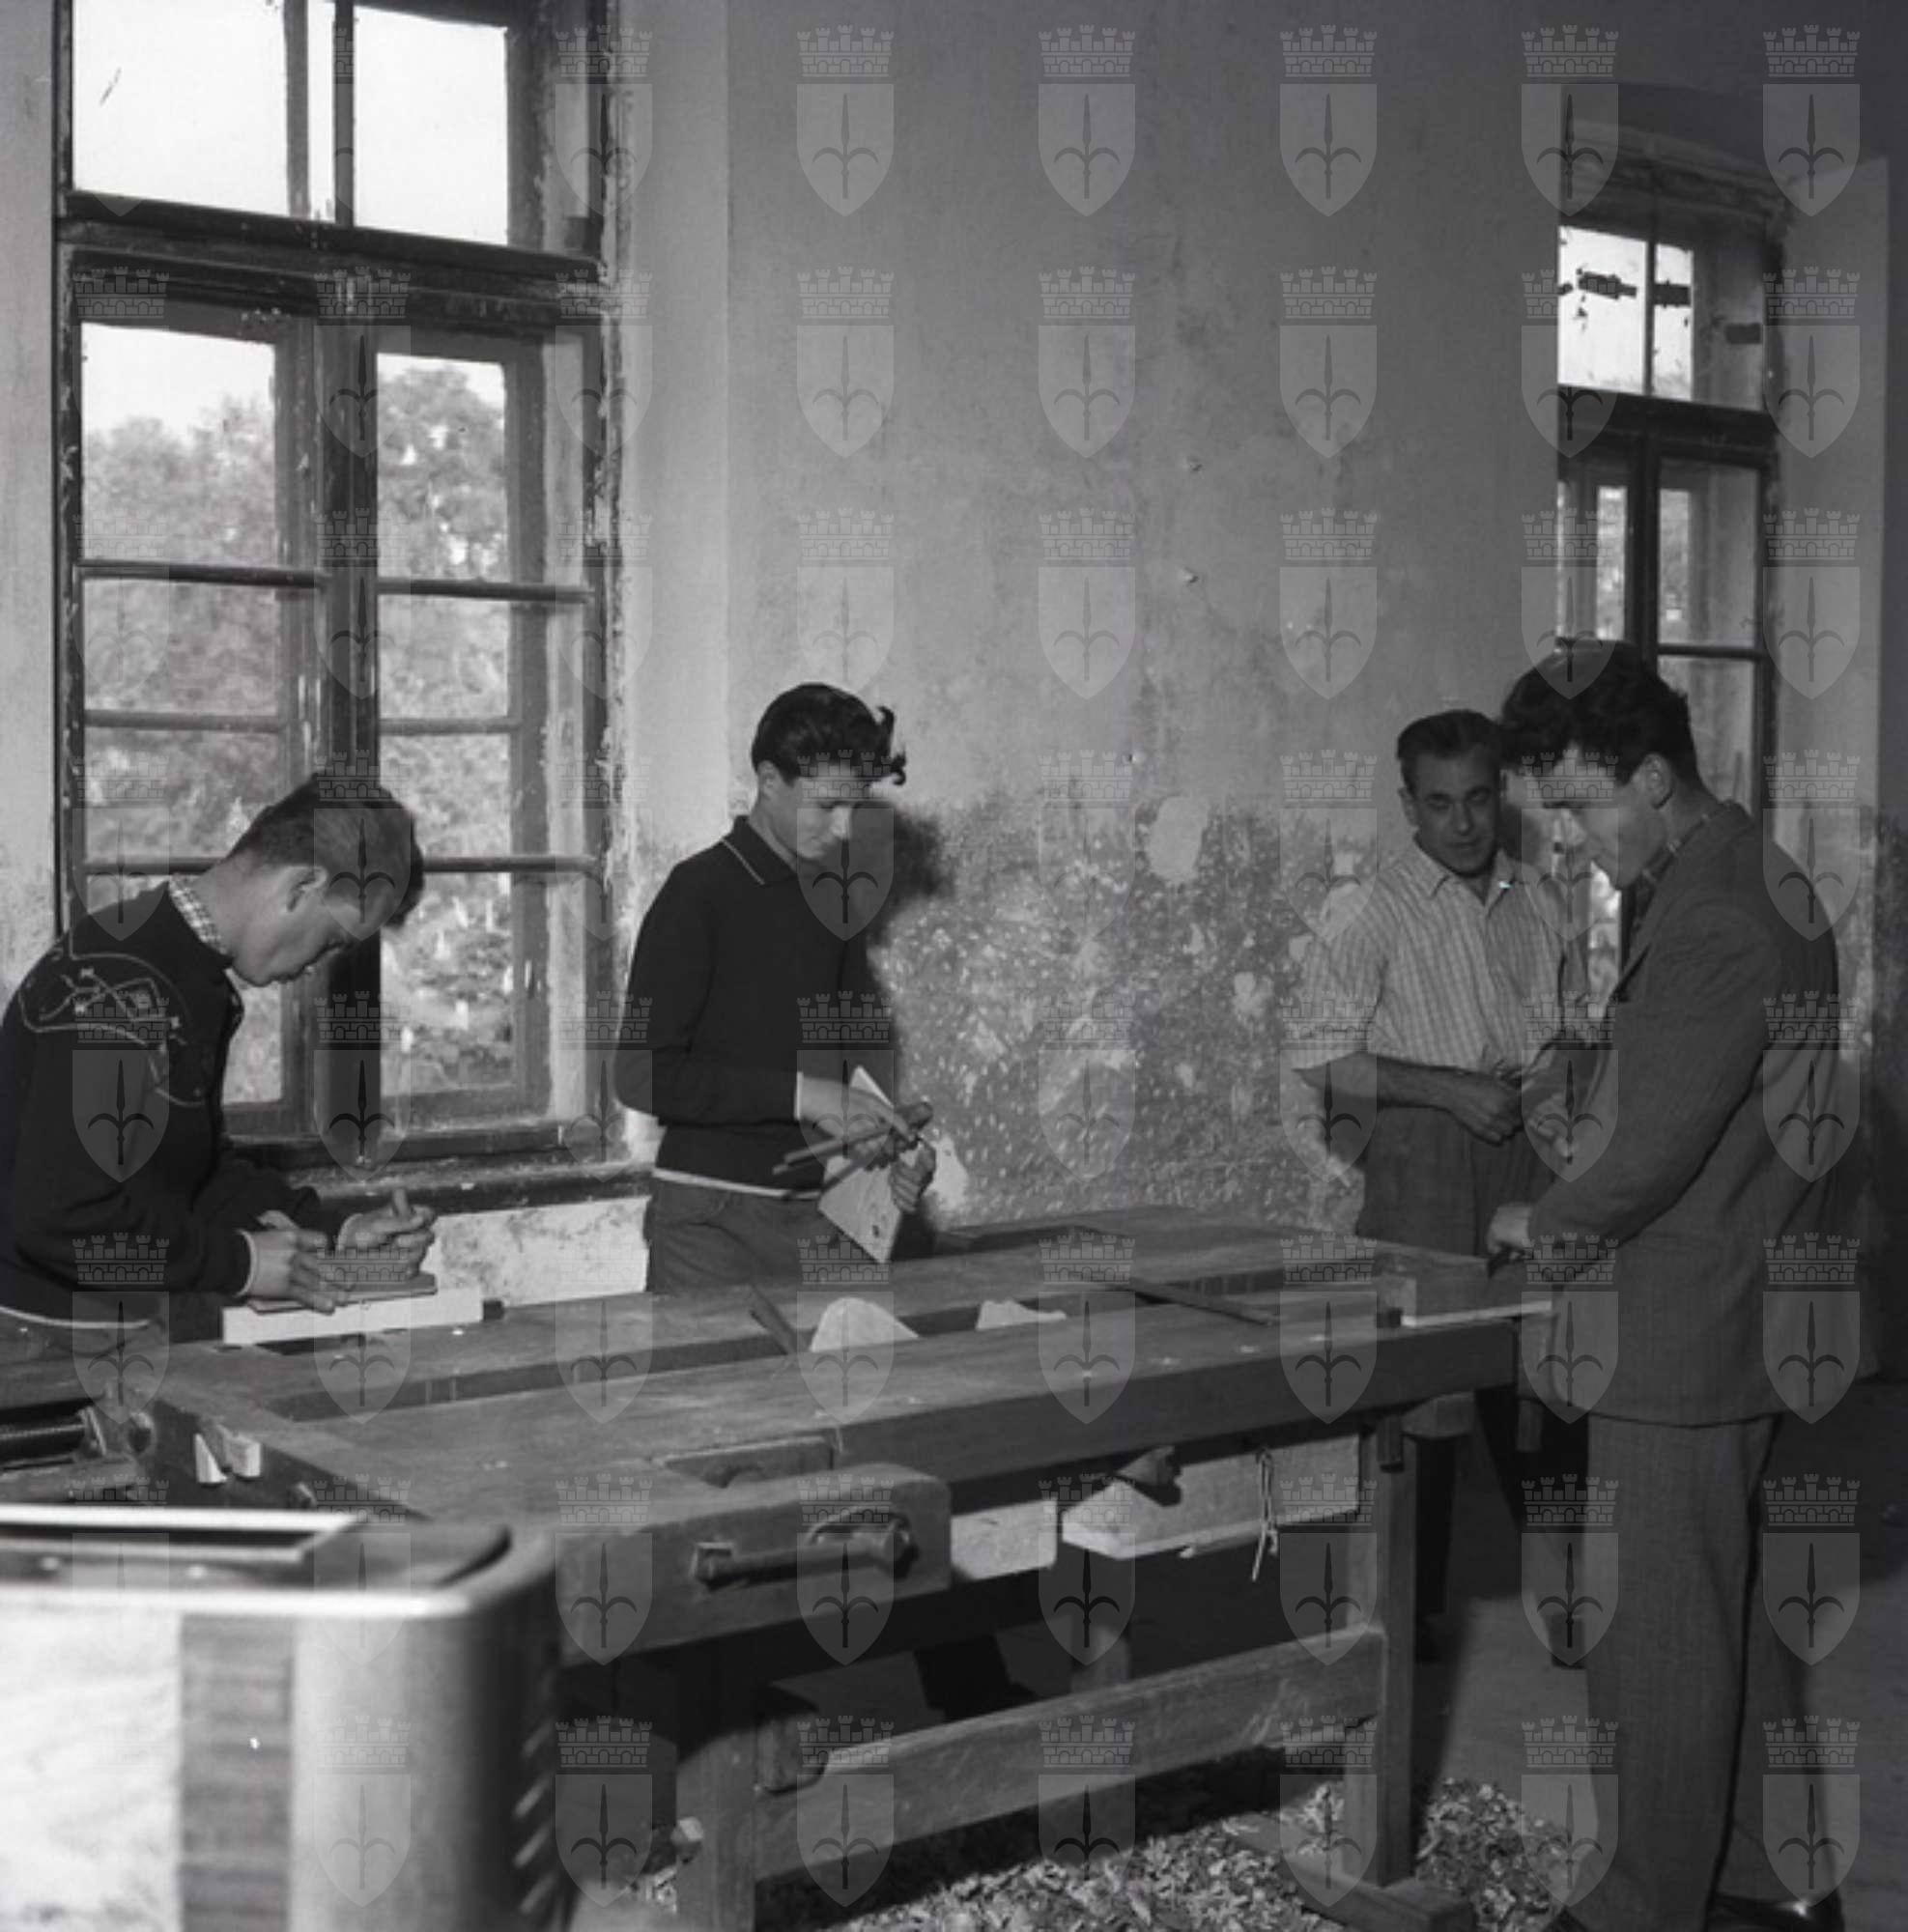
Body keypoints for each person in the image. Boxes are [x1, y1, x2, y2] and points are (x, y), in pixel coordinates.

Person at [1488, 647, 1842, 1932]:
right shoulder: (1741, 874)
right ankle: (1758, 1882)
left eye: (1583, 808)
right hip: (1734, 1306)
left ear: (1650, 776)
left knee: (1656, 1645)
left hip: (1677, 1326)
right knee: (1721, 1616)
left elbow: (1649, 1151)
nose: (1574, 840)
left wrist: (1545, 1216)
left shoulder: (1713, 916)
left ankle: (1641, 1905)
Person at [1289, 709, 1587, 1659]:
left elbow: (1570, 1027)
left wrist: (1552, 1090)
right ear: (1407, 803)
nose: (1461, 823)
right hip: (1422, 1158)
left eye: (1477, 799)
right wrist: (1449, 1088)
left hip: (1529, 1143)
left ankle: (1570, 1597)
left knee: (1546, 1380)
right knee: (1426, 1399)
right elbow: (1321, 1059)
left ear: (1500, 794)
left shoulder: (1539, 896)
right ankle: (1409, 1619)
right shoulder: (1365, 910)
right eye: (1438, 803)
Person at [0, 777, 437, 1338]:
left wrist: (335, 1233)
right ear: (302, 886)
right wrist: (243, 1264)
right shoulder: (121, 982)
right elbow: (59, 1219)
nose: (317, 965)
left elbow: (189, 1175)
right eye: (332, 941)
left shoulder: (188, 975)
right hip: (34, 1341)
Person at [618, 683, 933, 1293]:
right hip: (711, 1222)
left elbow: (842, 1087)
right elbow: (640, 1076)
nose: (843, 829)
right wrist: (804, 1096)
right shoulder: (697, 893)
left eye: (854, 807)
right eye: (827, 805)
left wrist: (889, 1148)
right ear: (769, 781)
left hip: (820, 1217)